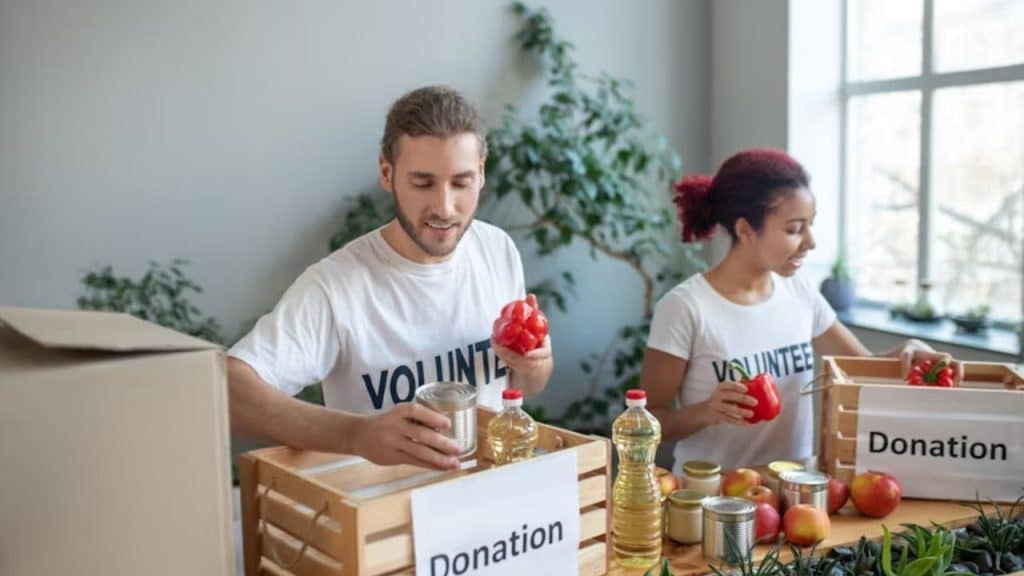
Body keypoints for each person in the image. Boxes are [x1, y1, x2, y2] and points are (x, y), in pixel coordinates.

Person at [227, 86, 554, 471]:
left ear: (481, 172)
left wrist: (535, 367)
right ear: (387, 173)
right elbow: (230, 391)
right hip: (382, 504)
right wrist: (355, 435)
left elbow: (521, 387)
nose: (445, 207)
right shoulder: (336, 286)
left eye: (461, 182)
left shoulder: (497, 250)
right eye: (423, 183)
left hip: (492, 493)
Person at [639, 148, 952, 474]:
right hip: (713, 494)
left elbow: (862, 369)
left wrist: (906, 352)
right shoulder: (685, 307)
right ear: (746, 230)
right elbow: (645, 423)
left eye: (810, 226)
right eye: (794, 229)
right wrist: (706, 412)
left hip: (794, 488)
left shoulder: (800, 292)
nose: (810, 242)